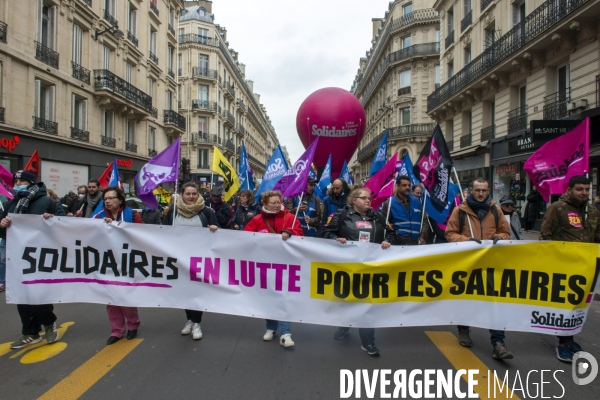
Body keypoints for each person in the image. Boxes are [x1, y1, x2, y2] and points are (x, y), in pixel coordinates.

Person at [322, 187, 396, 356]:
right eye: (363, 198)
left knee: (367, 303)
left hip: (370, 266)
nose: (368, 200)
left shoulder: (378, 216)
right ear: (353, 200)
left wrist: (387, 240)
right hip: (347, 266)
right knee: (346, 299)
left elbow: (392, 233)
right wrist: (335, 239)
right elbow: (325, 232)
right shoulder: (340, 215)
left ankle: (368, 341)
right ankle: (344, 326)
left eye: (369, 198)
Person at [445, 177, 512, 360]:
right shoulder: (460, 211)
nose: (481, 193)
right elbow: (450, 234)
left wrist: (499, 237)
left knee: (494, 302)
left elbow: (505, 232)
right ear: (471, 190)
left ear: (488, 189)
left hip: (490, 264)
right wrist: (467, 241)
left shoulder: (495, 210)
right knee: (466, 298)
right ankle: (464, 330)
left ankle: (498, 343)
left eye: (484, 190)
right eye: (477, 190)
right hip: (467, 264)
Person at [0, 170, 65, 349]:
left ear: (31, 183)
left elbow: (65, 226)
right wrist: (2, 225)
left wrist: (53, 219)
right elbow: (2, 232)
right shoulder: (10, 204)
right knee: (21, 296)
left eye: (22, 180)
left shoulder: (48, 203)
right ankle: (30, 332)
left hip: (41, 256)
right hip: (17, 257)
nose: (18, 183)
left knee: (39, 293)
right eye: (16, 180)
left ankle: (49, 324)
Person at [540, 175, 600, 362]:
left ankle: (570, 339)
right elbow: (545, 236)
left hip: (585, 267)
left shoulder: (593, 211)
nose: (583, 192)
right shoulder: (558, 208)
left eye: (586, 189)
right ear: (570, 189)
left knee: (578, 305)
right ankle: (563, 342)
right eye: (579, 189)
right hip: (563, 266)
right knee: (565, 305)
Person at [244, 190, 303, 348]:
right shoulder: (257, 220)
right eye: (273, 203)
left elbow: (300, 234)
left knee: (283, 298)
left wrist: (291, 232)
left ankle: (285, 333)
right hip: (264, 266)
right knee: (268, 297)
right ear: (265, 204)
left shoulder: (290, 218)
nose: (277, 205)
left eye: (279, 202)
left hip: (285, 266)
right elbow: (245, 238)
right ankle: (271, 327)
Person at [164, 182, 219, 340]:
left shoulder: (206, 211)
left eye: (194, 194)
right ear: (182, 195)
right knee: (185, 291)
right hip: (179, 258)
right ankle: (189, 319)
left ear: (198, 194)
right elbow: (163, 231)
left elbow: (218, 230)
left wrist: (214, 228)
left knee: (196, 290)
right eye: (188, 194)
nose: (191, 197)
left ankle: (196, 323)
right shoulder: (173, 211)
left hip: (199, 258)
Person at [94, 186, 143, 345]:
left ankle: (133, 323)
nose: (107, 201)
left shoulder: (132, 215)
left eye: (111, 198)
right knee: (110, 298)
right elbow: (89, 235)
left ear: (120, 200)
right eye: (105, 199)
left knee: (125, 295)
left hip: (127, 261)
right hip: (106, 262)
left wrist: (122, 227)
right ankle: (117, 330)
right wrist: (103, 226)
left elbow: (143, 235)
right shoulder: (98, 217)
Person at [383, 175, 427, 246]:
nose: (407, 187)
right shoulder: (390, 202)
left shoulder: (416, 201)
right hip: (398, 243)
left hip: (416, 242)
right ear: (397, 186)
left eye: (409, 185)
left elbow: (424, 220)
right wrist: (390, 231)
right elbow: (384, 222)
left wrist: (423, 236)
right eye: (404, 185)